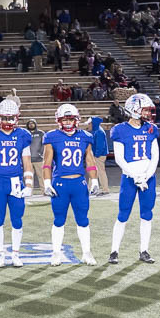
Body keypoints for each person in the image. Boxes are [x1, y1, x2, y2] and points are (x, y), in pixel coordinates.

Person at [43, 103, 99, 265]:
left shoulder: (85, 136)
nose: (67, 122)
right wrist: (47, 182)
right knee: (59, 219)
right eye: (64, 119)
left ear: (76, 120)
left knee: (83, 219)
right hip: (60, 183)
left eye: (70, 119)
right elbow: (47, 163)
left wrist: (94, 180)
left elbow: (90, 161)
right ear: (59, 120)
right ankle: (56, 253)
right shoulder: (52, 136)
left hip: (79, 183)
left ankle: (86, 253)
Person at [0, 99, 33, 268]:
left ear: (16, 117)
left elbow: (27, 163)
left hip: (16, 182)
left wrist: (29, 184)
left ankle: (15, 254)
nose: (7, 121)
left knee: (17, 219)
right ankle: (0, 254)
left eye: (11, 118)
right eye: (4, 117)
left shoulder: (23, 136)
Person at [109, 93, 159, 264]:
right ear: (134, 110)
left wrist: (147, 175)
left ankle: (144, 250)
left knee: (147, 214)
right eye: (145, 110)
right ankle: (114, 251)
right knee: (123, 214)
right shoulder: (120, 129)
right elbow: (119, 158)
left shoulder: (151, 128)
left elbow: (155, 156)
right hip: (130, 177)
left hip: (148, 177)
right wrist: (135, 176)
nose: (148, 113)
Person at [85, 114, 110, 194]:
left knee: (100, 172)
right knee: (93, 171)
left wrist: (96, 155)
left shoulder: (99, 132)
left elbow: (100, 146)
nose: (88, 125)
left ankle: (105, 189)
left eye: (89, 124)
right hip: (98, 155)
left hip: (99, 155)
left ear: (93, 123)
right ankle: (91, 188)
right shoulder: (97, 131)